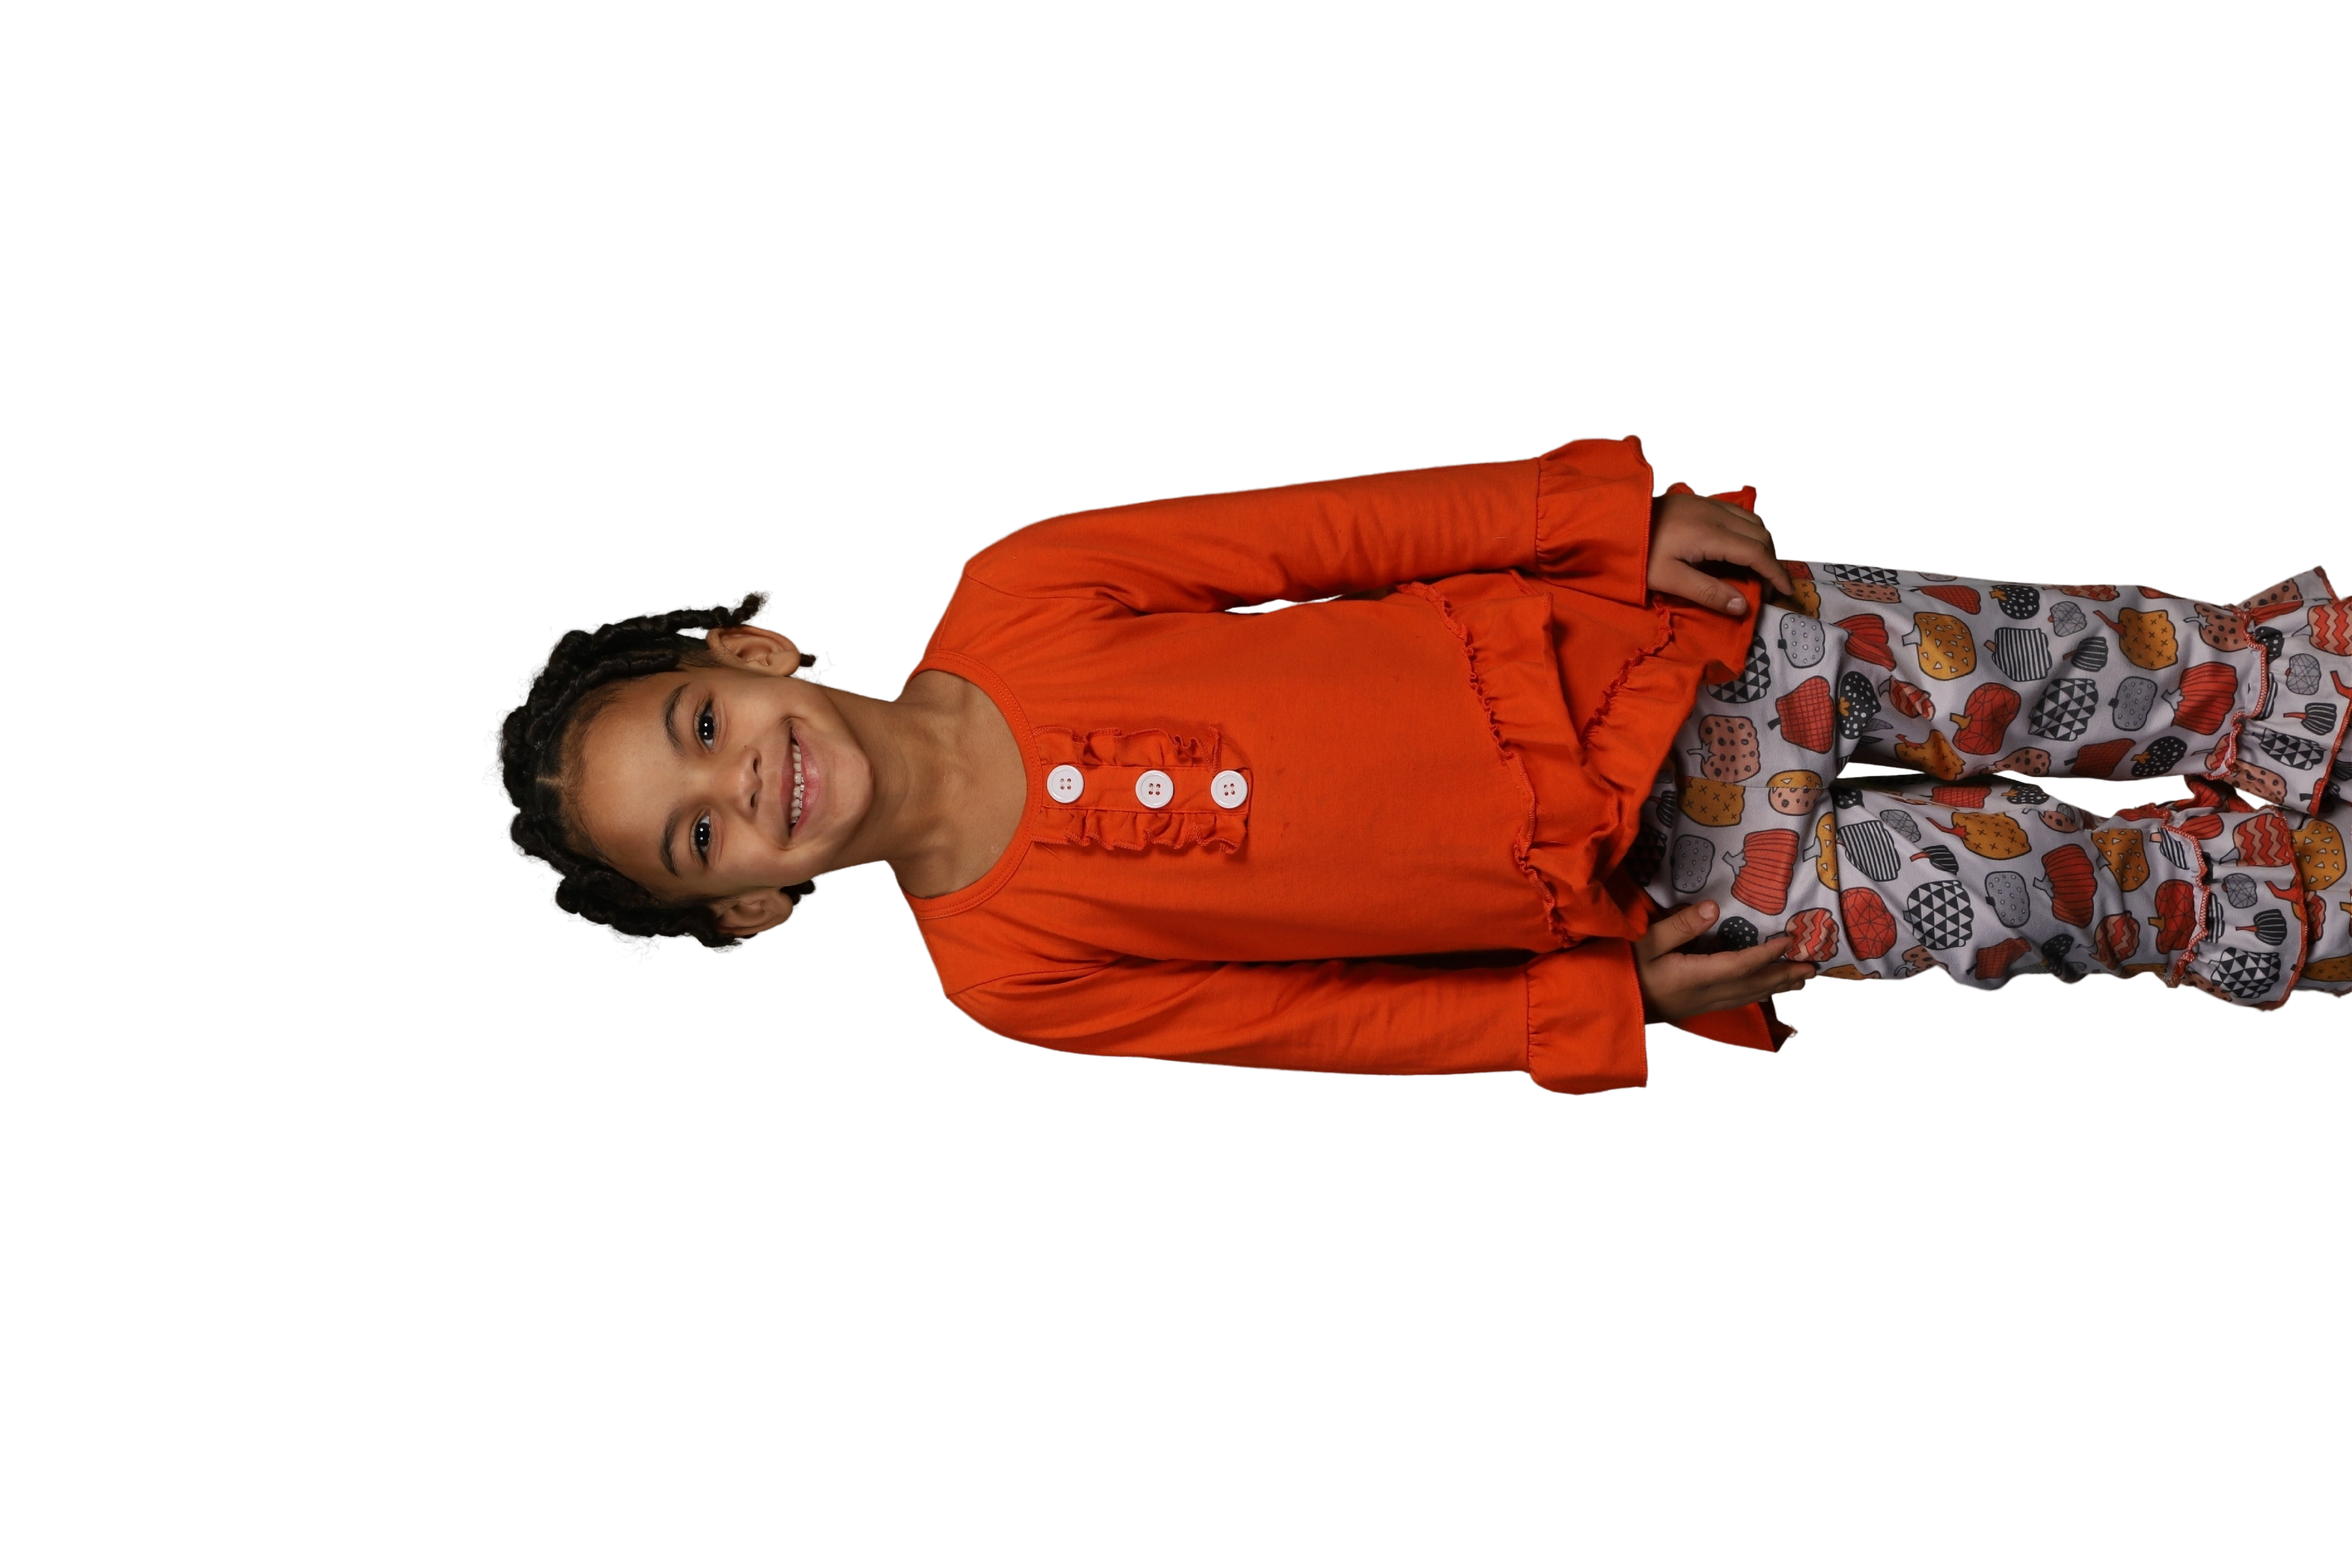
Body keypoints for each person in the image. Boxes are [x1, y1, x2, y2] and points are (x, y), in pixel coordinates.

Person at [481, 434, 2352, 1097]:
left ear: (752, 654)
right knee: (2042, 900)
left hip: (1652, 656)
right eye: (702, 839)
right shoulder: (1007, 973)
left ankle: (2277, 694)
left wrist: (1594, 519)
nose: (746, 787)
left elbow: (1332, 533)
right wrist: (1604, 1005)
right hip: (1665, 900)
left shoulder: (1026, 587)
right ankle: (2279, 892)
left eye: (701, 732)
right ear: (755, 908)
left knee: (2045, 669)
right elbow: (1332, 1020)